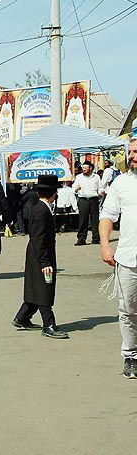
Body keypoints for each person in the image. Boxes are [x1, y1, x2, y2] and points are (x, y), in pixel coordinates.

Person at [12, 175, 68, 339]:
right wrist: (44, 262)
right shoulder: (41, 211)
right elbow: (39, 238)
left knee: (35, 286)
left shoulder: (41, 208)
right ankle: (48, 324)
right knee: (44, 287)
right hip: (40, 254)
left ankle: (22, 317)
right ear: (53, 194)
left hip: (37, 252)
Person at [100, 136, 137, 379]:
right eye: (131, 152)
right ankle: (131, 356)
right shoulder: (121, 183)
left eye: (136, 152)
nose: (132, 156)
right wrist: (104, 245)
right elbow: (108, 215)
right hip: (129, 259)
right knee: (128, 309)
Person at [73, 160, 102, 246]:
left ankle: (96, 238)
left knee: (95, 219)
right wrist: (76, 189)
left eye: (86, 168)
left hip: (94, 199)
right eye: (83, 168)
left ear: (91, 168)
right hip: (83, 200)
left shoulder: (96, 177)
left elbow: (99, 188)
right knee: (83, 220)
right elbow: (73, 188)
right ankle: (81, 239)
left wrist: (101, 192)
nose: (84, 169)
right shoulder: (79, 177)